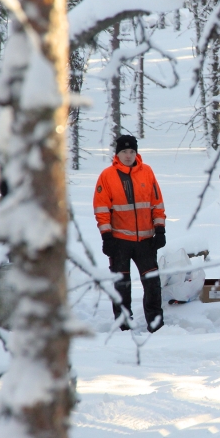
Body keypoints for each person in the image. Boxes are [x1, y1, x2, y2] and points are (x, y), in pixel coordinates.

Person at [94, 135, 166, 333]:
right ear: (117, 154)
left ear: (137, 153)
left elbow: (157, 203)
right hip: (118, 242)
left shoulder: (147, 172)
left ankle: (156, 323)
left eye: (131, 151)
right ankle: (123, 324)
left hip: (146, 241)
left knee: (152, 284)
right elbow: (101, 209)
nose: (128, 155)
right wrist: (106, 236)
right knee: (121, 286)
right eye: (124, 152)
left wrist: (160, 229)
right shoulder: (107, 176)